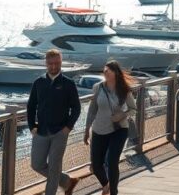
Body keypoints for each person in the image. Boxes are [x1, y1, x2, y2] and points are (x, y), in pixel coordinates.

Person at [27, 49, 82, 195]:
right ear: (46, 63)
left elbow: (76, 108)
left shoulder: (68, 84)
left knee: (54, 167)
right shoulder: (38, 83)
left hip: (60, 132)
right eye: (50, 63)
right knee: (36, 164)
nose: (53, 66)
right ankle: (67, 181)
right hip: (41, 131)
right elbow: (31, 106)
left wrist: (68, 128)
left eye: (56, 63)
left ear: (61, 62)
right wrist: (32, 126)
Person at [85, 60, 136, 195]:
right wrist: (86, 130)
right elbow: (92, 110)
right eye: (105, 70)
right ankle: (106, 185)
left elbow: (133, 109)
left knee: (112, 162)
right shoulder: (98, 87)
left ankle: (114, 192)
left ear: (116, 73)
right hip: (99, 130)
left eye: (109, 70)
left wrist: (122, 115)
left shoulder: (124, 89)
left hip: (118, 129)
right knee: (96, 166)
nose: (106, 72)